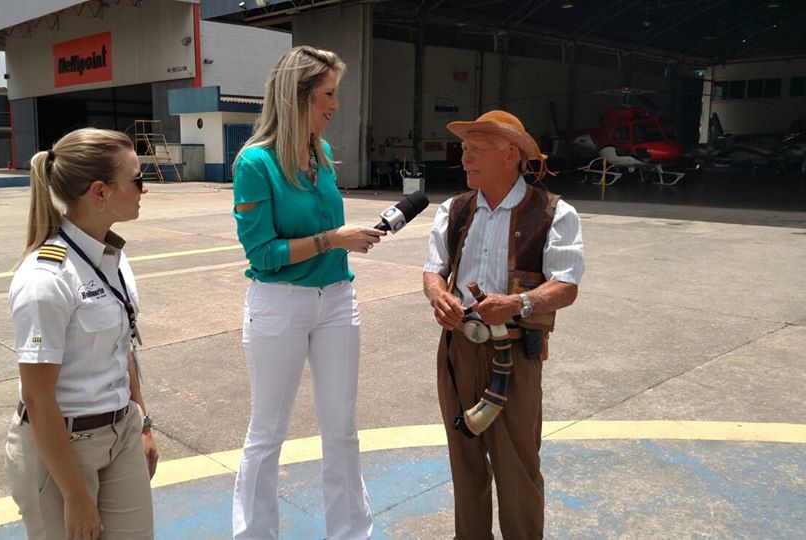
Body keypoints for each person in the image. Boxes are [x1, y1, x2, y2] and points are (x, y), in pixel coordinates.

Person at [230, 45, 383, 539]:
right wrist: (333, 239)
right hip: (280, 304)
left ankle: (350, 532)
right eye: (328, 93)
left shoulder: (324, 154)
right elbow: (263, 255)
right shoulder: (255, 163)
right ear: (297, 96)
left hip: (338, 298)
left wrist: (343, 243)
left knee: (341, 428)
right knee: (267, 432)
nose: (335, 104)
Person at [423, 110, 585, 539]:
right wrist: (439, 295)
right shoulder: (455, 209)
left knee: (518, 469)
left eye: (475, 150)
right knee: (465, 463)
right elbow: (434, 270)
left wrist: (518, 303)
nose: (464, 159)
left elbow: (566, 286)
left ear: (510, 154)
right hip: (458, 350)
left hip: (513, 353)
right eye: (464, 150)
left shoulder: (554, 212)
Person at [5, 127, 158, 540]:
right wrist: (74, 494)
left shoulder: (113, 259)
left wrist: (142, 423)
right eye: (137, 180)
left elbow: (121, 346)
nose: (145, 189)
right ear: (99, 192)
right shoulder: (46, 278)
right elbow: (38, 398)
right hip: (62, 448)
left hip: (120, 431)